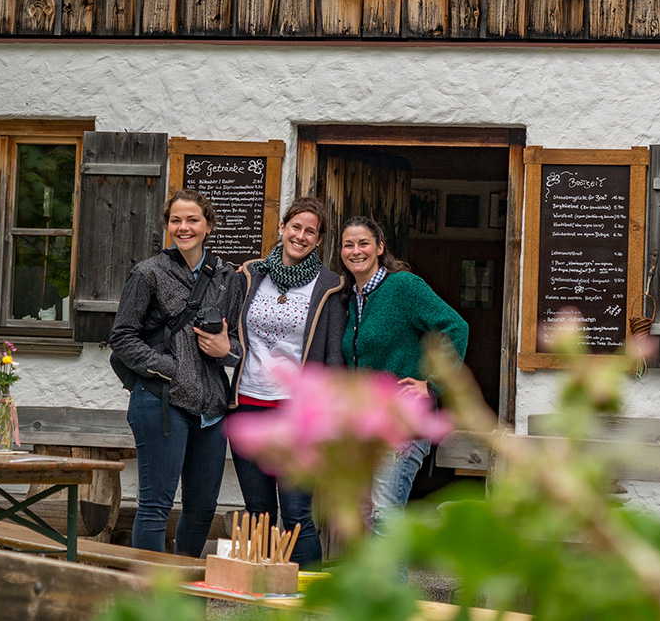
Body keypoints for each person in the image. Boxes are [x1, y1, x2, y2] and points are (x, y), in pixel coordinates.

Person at [109, 189, 243, 556]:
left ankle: (182, 592)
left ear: (209, 226)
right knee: (156, 506)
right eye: (176, 220)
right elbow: (121, 336)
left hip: (211, 409)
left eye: (193, 220)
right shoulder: (148, 272)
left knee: (202, 510)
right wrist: (171, 369)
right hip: (160, 401)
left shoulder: (227, 277)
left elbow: (237, 341)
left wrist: (227, 351)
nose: (184, 227)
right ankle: (152, 598)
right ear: (168, 226)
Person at [229, 197, 347, 569]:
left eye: (310, 231)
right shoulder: (250, 275)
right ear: (282, 228)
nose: (301, 235)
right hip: (248, 405)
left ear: (319, 240)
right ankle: (262, 599)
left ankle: (307, 602)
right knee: (259, 513)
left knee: (297, 513)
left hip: (297, 415)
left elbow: (333, 357)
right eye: (295, 227)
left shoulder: (329, 287)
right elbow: (229, 335)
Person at [339, 216, 468, 536]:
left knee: (385, 518)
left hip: (404, 425)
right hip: (367, 426)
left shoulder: (404, 287)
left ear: (380, 248)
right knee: (368, 515)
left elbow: (456, 327)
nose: (356, 251)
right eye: (348, 245)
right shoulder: (354, 299)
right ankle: (377, 588)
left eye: (363, 243)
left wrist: (433, 384)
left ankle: (392, 588)